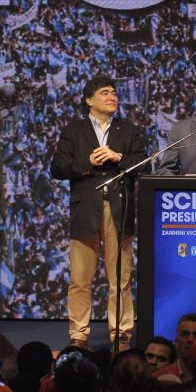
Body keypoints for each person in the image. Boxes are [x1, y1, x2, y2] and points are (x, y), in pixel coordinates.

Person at [49, 74, 149, 351]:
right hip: (86, 212)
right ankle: (79, 334)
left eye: (114, 93)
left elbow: (145, 165)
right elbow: (57, 167)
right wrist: (87, 162)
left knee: (121, 278)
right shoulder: (74, 131)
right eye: (105, 93)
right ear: (89, 100)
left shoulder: (128, 131)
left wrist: (119, 158)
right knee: (80, 279)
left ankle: (121, 333)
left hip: (119, 210)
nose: (112, 97)